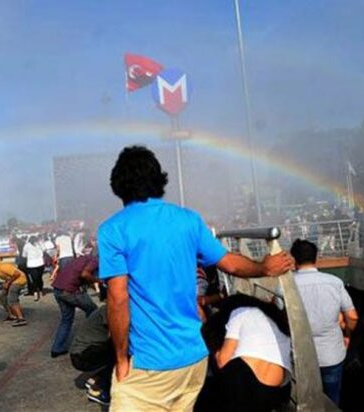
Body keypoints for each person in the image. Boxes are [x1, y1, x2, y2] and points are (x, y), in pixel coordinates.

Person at [98, 146, 294, 411]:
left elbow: (118, 298)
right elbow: (230, 264)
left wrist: (121, 358)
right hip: (194, 358)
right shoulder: (189, 220)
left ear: (118, 185)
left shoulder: (113, 229)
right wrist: (264, 267)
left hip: (149, 363)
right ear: (158, 180)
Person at [291, 239, 358, 405]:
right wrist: (347, 334)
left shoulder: (287, 286)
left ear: (294, 259)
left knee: (305, 401)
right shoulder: (335, 282)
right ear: (316, 257)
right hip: (332, 354)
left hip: (300, 357)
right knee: (331, 399)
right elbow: (352, 317)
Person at [199, 294, 292, 412]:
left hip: (247, 380)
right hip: (275, 387)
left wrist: (214, 348)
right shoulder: (273, 317)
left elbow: (222, 361)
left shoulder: (240, 313)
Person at [50, 253, 99, 358]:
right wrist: (97, 281)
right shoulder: (94, 260)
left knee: (66, 320)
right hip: (70, 291)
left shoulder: (82, 258)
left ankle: (57, 348)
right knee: (94, 313)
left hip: (57, 289)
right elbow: (85, 274)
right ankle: (89, 343)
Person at [70, 304, 113, 406]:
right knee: (119, 353)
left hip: (82, 352)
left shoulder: (109, 307)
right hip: (82, 355)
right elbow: (116, 334)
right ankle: (99, 389)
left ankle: (95, 379)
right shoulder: (111, 309)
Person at [0, 261, 29, 327]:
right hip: (13, 281)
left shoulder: (2, 267)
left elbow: (17, 274)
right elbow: (8, 277)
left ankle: (21, 318)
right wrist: (6, 283)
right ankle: (12, 315)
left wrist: (8, 283)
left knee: (12, 299)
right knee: (2, 298)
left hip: (19, 280)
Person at [23, 236, 46, 302]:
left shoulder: (26, 245)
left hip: (31, 264)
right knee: (39, 278)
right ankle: (40, 290)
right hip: (40, 263)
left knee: (34, 279)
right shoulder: (39, 244)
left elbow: (24, 255)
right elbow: (44, 250)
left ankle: (36, 292)